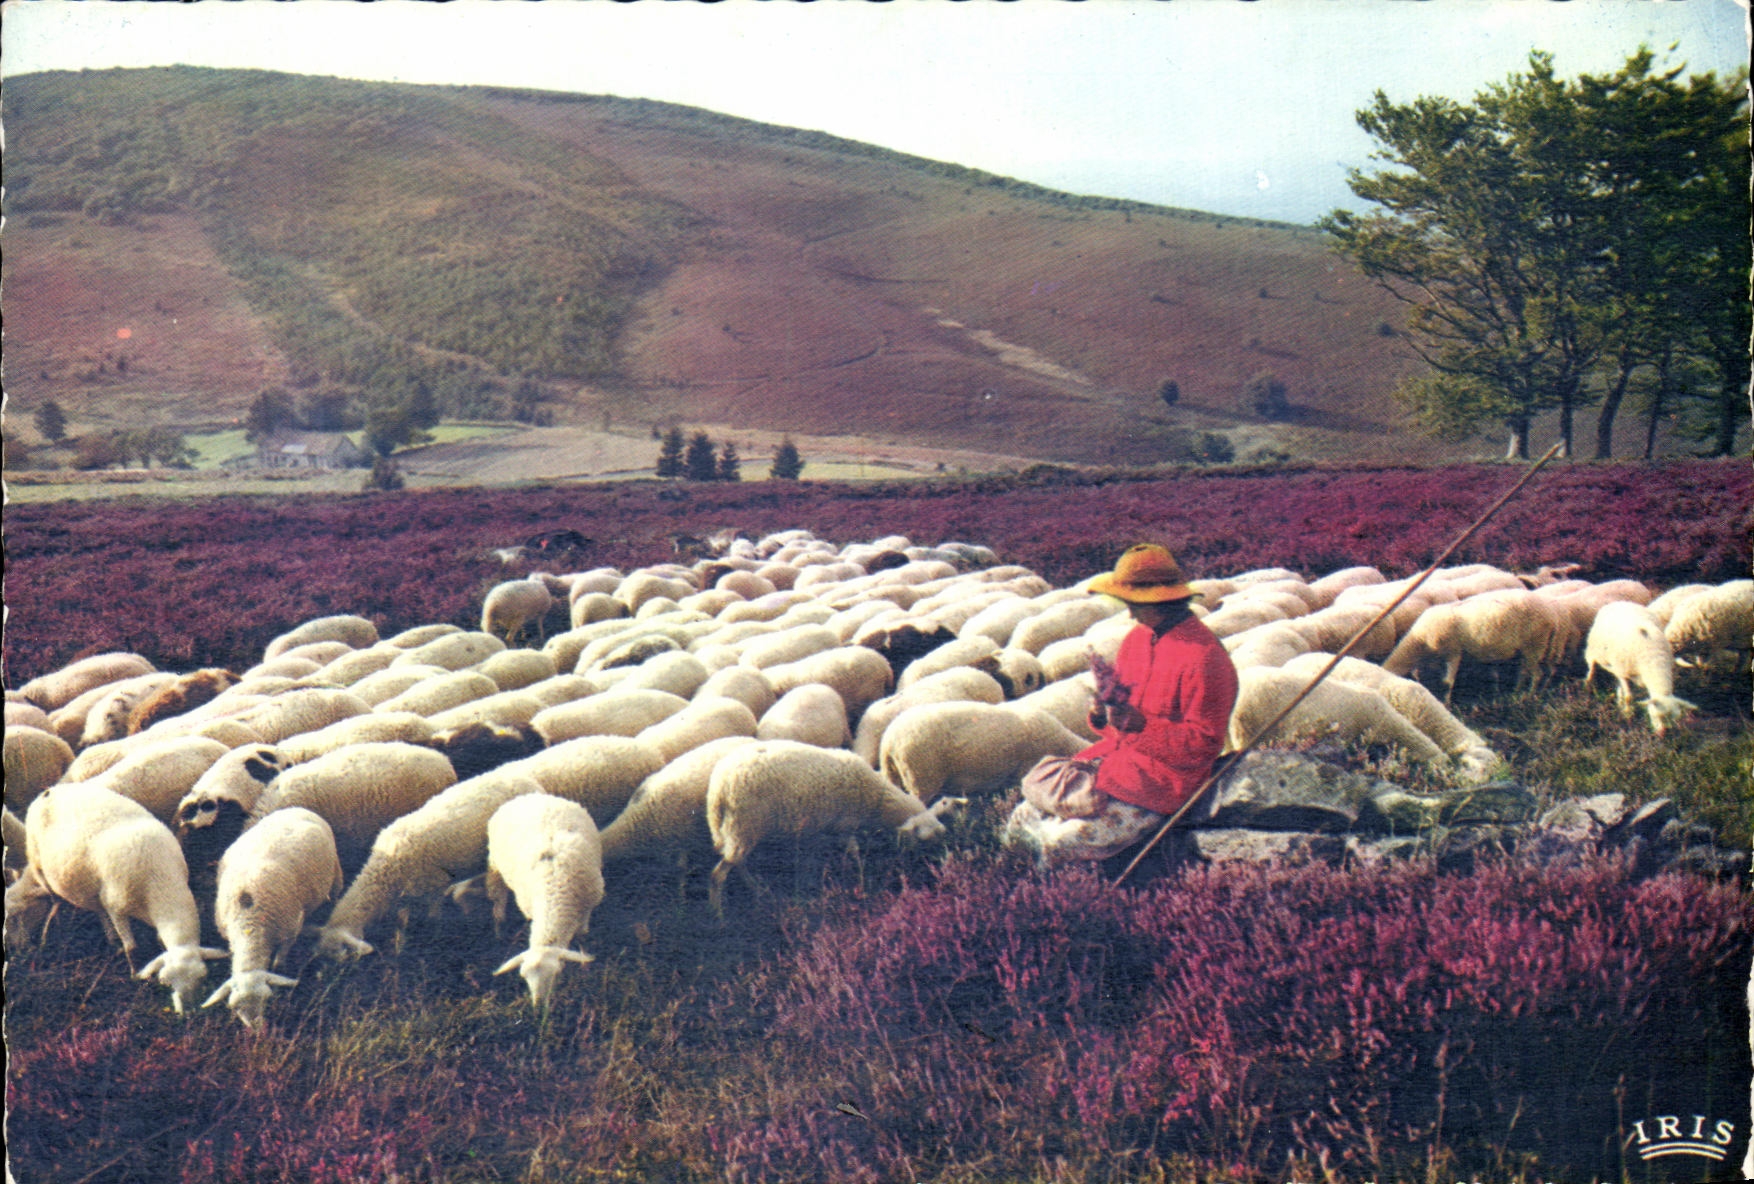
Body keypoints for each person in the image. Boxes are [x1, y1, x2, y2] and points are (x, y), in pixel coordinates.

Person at [1003, 543, 1239, 869]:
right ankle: (1018, 885)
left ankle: (1060, 907)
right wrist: (1102, 715)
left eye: (1135, 604)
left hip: (1162, 786)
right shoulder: (1137, 640)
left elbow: (1203, 746)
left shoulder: (1206, 658)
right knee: (1023, 816)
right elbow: (1123, 720)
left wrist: (1142, 726)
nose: (1130, 613)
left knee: (1062, 842)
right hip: (1116, 768)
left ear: (1164, 601)